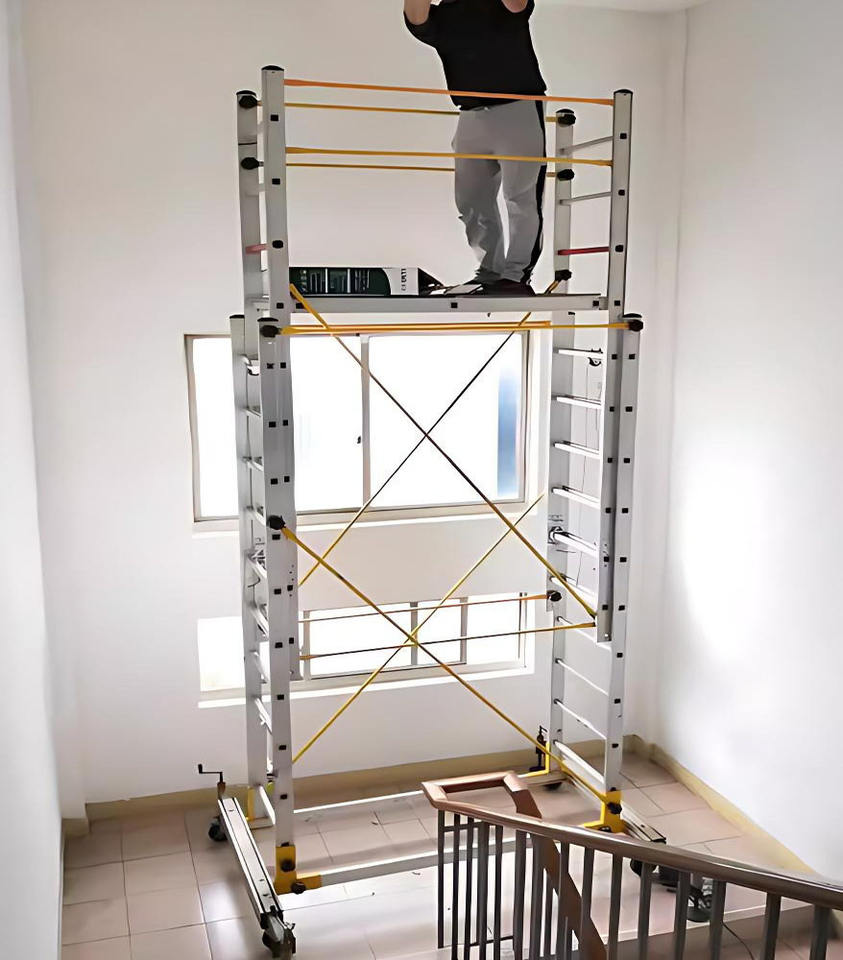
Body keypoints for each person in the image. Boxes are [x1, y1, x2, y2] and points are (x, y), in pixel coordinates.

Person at [405, 0, 547, 295]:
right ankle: (490, 272)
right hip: (470, 114)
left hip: (518, 107)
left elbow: (517, 5)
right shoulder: (444, 15)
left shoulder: (500, 6)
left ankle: (516, 276)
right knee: (470, 201)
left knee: (521, 198)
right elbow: (416, 17)